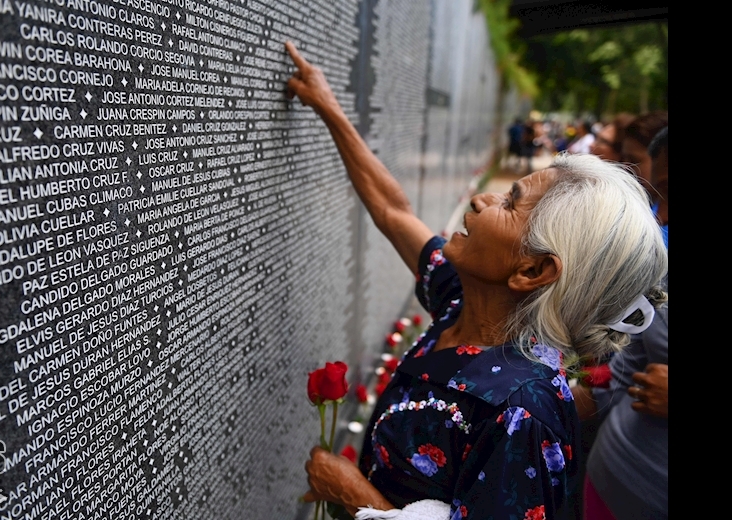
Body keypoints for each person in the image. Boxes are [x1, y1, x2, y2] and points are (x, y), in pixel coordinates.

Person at [284, 41, 668, 520]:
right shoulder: (465, 301)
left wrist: (354, 495)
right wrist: (328, 106)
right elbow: (392, 209)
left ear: (532, 271)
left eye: (509, 203)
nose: (482, 201)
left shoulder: (521, 413)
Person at [573, 127, 668, 520]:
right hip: (609, 478)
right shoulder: (661, 273)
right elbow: (624, 376)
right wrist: (537, 395)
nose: (661, 214)